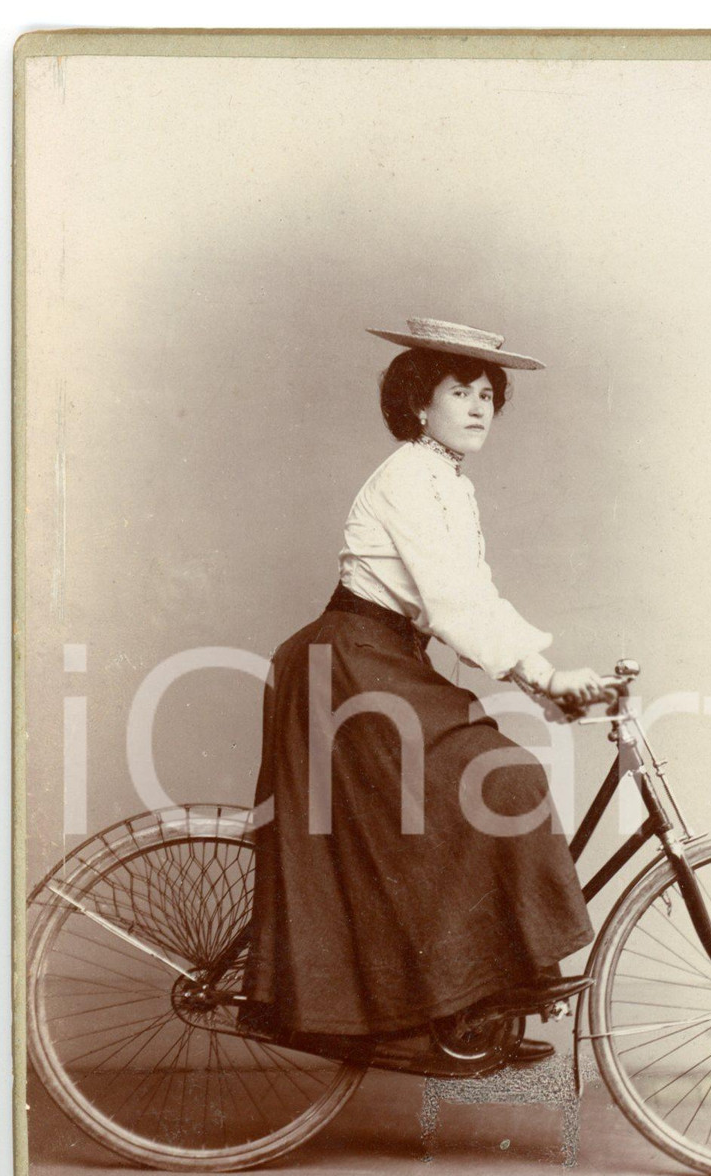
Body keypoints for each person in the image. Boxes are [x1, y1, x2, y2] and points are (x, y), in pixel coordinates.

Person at [241, 318, 605, 1075]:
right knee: (496, 781)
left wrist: (543, 687)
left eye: (487, 395)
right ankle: (456, 1000)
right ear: (418, 403)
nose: (477, 408)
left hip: (383, 662)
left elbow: (475, 596)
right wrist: (542, 674)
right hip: (346, 667)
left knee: (476, 796)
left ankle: (469, 997)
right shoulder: (409, 476)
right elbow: (451, 603)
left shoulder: (446, 481)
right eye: (458, 391)